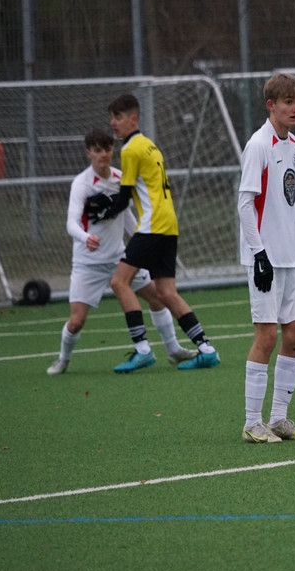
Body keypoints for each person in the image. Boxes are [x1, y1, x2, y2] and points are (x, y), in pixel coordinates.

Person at [46, 128, 197, 376]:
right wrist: (86, 238)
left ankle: (173, 349)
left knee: (158, 298)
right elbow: (71, 223)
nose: (103, 155)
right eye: (97, 150)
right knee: (77, 321)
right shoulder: (81, 184)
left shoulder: (120, 177)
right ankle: (63, 359)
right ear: (88, 153)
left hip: (120, 258)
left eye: (107, 149)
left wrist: (143, 243)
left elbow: (128, 217)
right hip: (88, 263)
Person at [93, 93, 220, 373]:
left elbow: (124, 199)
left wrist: (103, 211)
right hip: (168, 223)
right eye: (112, 117)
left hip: (153, 225)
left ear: (133, 118)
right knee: (166, 291)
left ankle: (142, 350)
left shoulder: (130, 150)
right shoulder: (150, 145)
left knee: (119, 282)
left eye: (118, 117)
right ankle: (206, 349)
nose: (113, 123)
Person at [237, 74, 295, 443]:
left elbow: (291, 205)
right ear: (271, 105)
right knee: (267, 337)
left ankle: (279, 418)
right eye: (287, 102)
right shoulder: (259, 145)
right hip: (265, 259)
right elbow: (245, 205)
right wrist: (259, 254)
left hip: (291, 258)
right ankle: (252, 422)